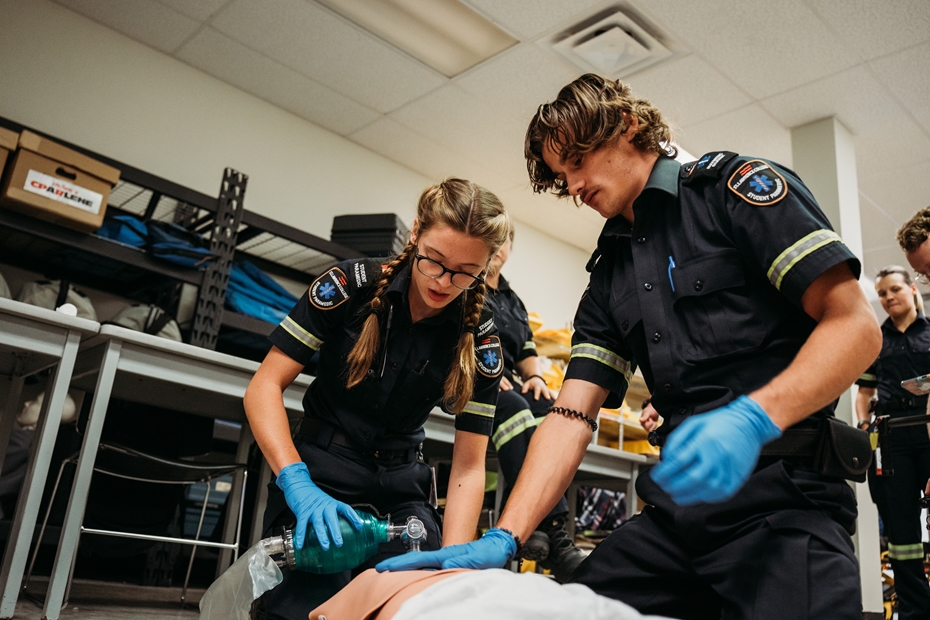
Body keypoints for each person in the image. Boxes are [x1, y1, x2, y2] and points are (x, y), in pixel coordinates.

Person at [376, 74, 882, 620]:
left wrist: (754, 418)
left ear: (628, 124)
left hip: (787, 503)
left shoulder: (733, 193)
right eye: (560, 175)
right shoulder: (610, 274)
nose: (572, 186)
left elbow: (855, 326)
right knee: (569, 609)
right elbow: (571, 415)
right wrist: (506, 535)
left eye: (577, 160)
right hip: (680, 517)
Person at [244, 178, 511, 619]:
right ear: (415, 234)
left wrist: (452, 563)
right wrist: (298, 486)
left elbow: (467, 466)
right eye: (435, 262)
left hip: (402, 487)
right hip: (322, 472)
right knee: (309, 607)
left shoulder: (480, 342)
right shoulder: (348, 287)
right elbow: (264, 388)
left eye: (465, 272)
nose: (444, 282)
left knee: (416, 606)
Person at [483, 230, 586, 581]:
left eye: (503, 241)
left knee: (553, 409)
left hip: (510, 380)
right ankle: (552, 530)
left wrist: (537, 379)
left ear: (510, 247)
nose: (496, 248)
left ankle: (540, 526)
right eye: (490, 240)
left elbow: (527, 351)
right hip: (474, 380)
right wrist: (490, 374)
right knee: (513, 406)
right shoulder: (465, 286)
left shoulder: (513, 300)